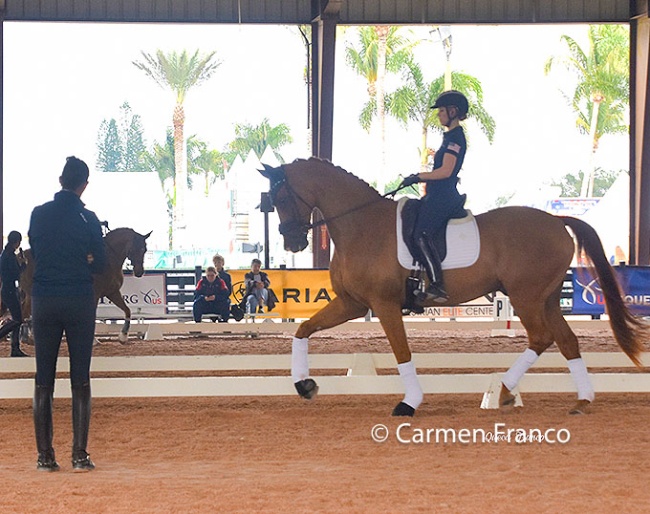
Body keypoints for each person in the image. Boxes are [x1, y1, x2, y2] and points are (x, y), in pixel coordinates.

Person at [28, 156, 106, 472]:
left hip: (44, 299)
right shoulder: (88, 219)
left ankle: (45, 456)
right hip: (77, 300)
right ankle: (79, 455)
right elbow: (100, 264)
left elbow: (38, 249)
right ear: (83, 185)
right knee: (80, 378)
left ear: (61, 179)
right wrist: (84, 260)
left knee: (43, 380)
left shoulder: (38, 214)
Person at [401, 90, 469, 303]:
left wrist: (418, 176)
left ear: (453, 111)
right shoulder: (448, 137)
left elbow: (446, 171)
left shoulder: (455, 138)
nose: (439, 115)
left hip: (444, 196)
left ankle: (437, 284)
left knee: (421, 233)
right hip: (437, 195)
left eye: (441, 111)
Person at [0, 230, 28, 357]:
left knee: (18, 319)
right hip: (10, 289)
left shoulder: (5, 254)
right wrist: (23, 265)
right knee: (17, 319)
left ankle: (15, 347)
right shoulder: (10, 256)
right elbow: (15, 274)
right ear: (16, 242)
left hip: (7, 289)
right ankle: (13, 346)